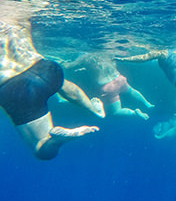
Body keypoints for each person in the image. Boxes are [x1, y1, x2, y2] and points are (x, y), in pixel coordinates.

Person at [0, 20, 105, 160]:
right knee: (61, 84)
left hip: (16, 86)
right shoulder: (16, 17)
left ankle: (58, 140)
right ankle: (94, 110)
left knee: (41, 149)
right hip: (45, 68)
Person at [63, 54, 154, 120]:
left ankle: (134, 113)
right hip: (119, 79)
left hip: (107, 87)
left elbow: (68, 67)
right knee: (131, 91)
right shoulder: (107, 53)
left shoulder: (85, 57)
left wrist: (62, 62)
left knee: (116, 112)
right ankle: (147, 104)